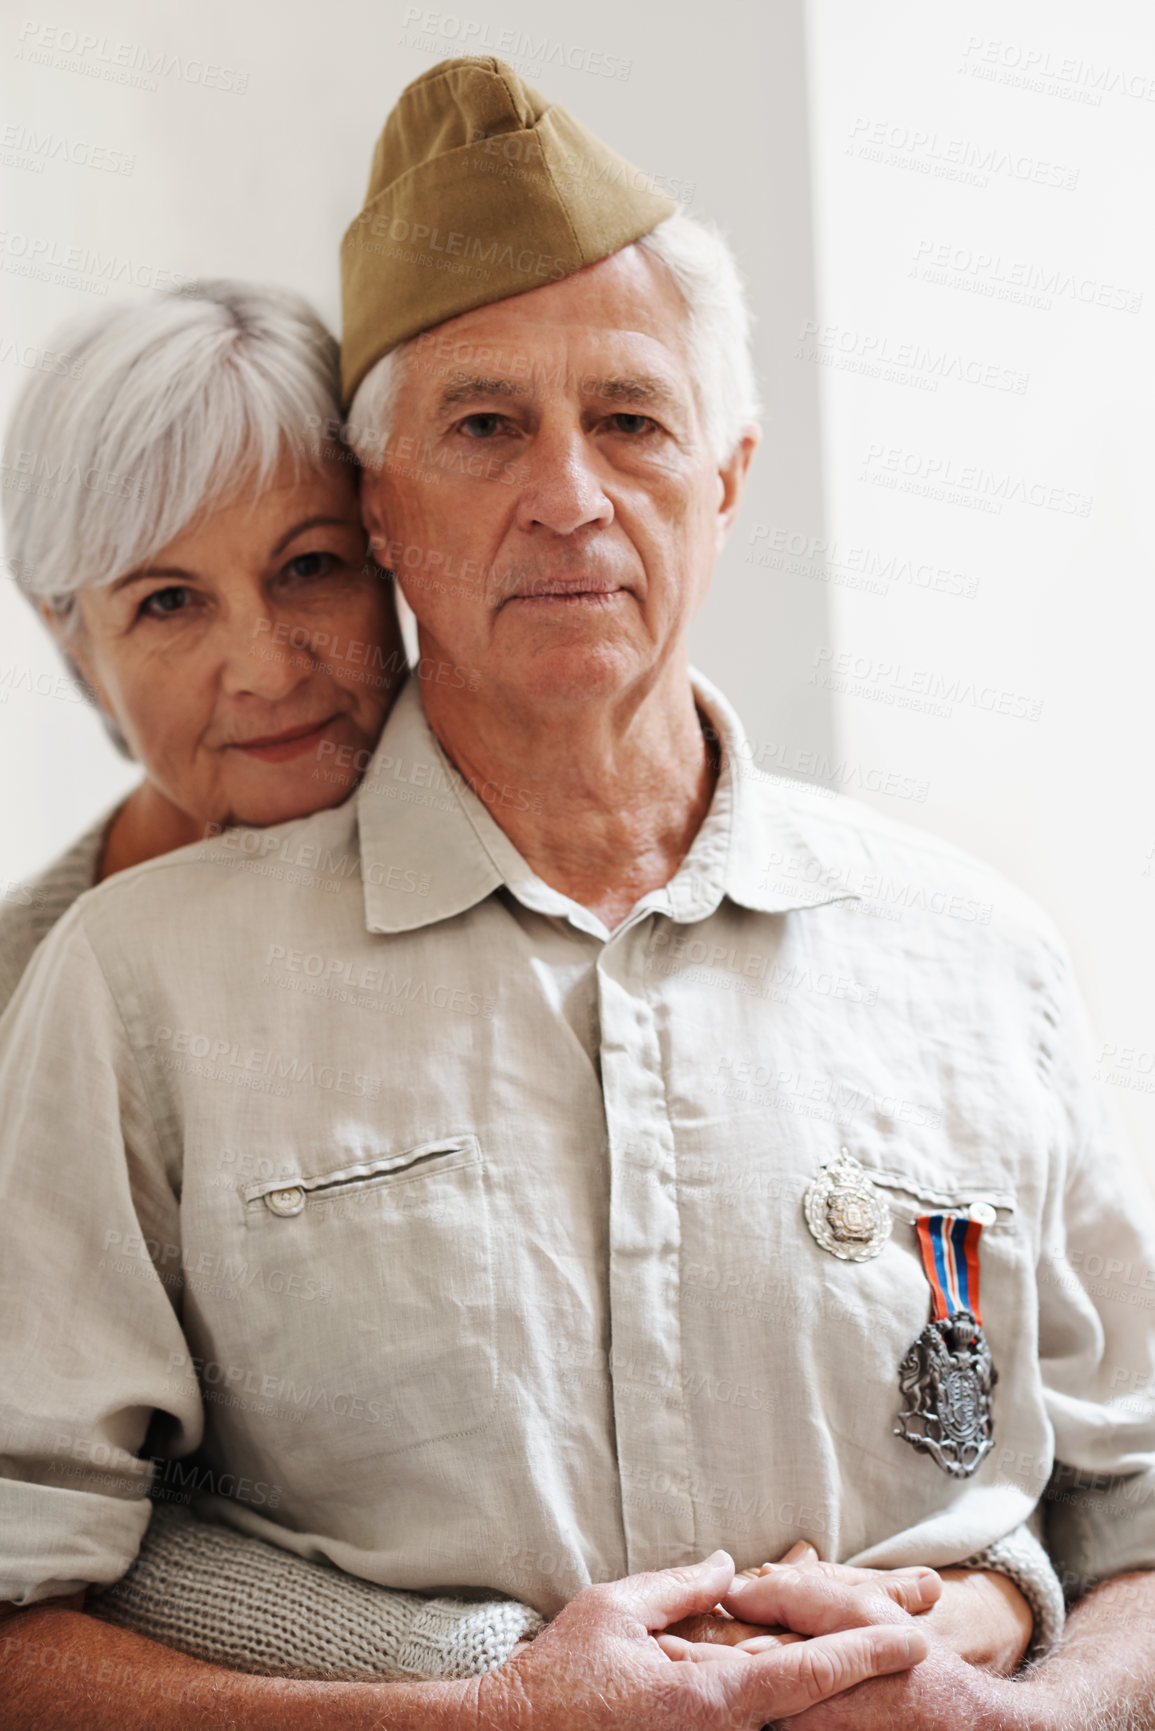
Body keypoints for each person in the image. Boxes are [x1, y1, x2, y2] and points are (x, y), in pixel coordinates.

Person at [1, 58, 1152, 1730]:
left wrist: (1030, 1705)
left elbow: (1128, 1518)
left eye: (630, 419)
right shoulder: (129, 990)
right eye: (484, 427)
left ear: (729, 471)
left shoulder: (981, 958)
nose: (569, 495)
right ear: (384, 508)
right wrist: (491, 1717)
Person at [0, 279, 552, 1680]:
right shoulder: (34, 991)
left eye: (309, 567)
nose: (267, 668)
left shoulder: (554, 902)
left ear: (392, 557)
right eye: (169, 601)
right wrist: (457, 1665)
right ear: (74, 640)